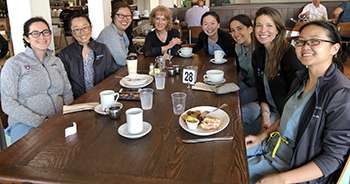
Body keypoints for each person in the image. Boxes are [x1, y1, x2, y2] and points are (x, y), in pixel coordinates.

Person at [245, 20, 350, 184]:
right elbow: (289, 116)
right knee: (226, 155)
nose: (305, 47)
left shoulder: (341, 94)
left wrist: (281, 180)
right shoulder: (301, 78)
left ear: (334, 48)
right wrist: (262, 136)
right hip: (270, 149)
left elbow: (333, 158)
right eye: (300, 41)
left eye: (315, 41)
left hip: (293, 168)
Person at [0, 17, 73, 143]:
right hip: (26, 125)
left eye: (45, 32)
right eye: (35, 33)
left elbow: (67, 91)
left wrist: (68, 114)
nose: (42, 37)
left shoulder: (56, 61)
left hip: (59, 120)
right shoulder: (14, 64)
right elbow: (8, 104)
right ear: (27, 38)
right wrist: (41, 121)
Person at [242, 7, 304, 135]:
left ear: (278, 29)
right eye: (259, 25)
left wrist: (266, 131)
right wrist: (265, 115)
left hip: (285, 115)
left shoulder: (289, 55)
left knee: (245, 147)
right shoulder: (258, 54)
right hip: (267, 108)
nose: (263, 30)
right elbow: (260, 89)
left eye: (269, 25)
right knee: (234, 117)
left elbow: (297, 103)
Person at [58, 14, 119, 99]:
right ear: (72, 32)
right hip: (79, 101)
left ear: (91, 28)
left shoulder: (102, 49)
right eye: (76, 29)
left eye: (85, 27)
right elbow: (64, 84)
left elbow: (112, 75)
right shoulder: (65, 54)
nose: (82, 32)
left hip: (102, 97)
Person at [229, 14, 256, 106]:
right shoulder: (238, 47)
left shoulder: (259, 48)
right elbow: (242, 71)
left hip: (259, 89)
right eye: (233, 31)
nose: (236, 34)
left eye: (239, 29)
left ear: (250, 29)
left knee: (233, 102)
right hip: (245, 83)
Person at [97, 1, 132, 66]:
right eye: (120, 16)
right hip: (106, 75)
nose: (125, 19)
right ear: (113, 17)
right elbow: (122, 61)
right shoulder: (109, 34)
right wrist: (132, 56)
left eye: (128, 16)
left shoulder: (122, 32)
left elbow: (126, 55)